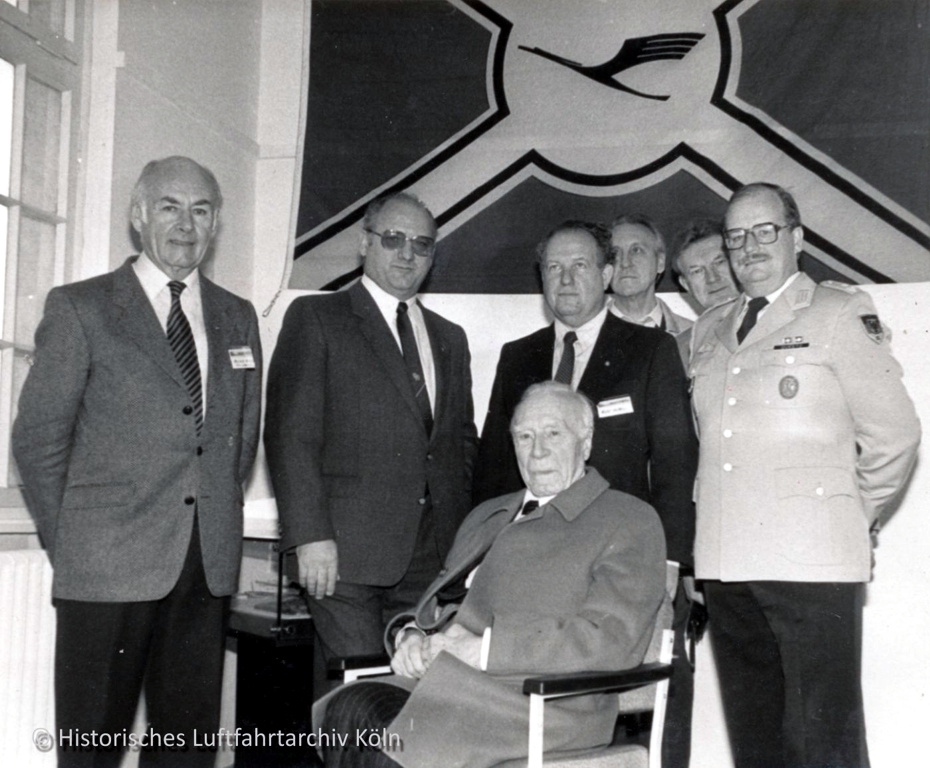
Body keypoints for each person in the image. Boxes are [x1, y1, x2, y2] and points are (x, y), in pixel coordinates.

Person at [12, 156, 263, 766]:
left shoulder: (238, 316)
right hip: (106, 564)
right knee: (92, 745)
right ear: (138, 215)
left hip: (204, 566)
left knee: (186, 749)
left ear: (215, 224)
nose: (185, 224)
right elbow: (38, 439)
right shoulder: (83, 308)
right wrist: (71, 539)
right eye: (170, 207)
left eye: (200, 210)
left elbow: (240, 438)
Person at [315, 382, 667, 768]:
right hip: (449, 689)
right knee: (350, 710)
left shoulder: (627, 519)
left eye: (553, 433)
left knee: (386, 737)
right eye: (524, 436)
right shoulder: (487, 514)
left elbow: (611, 640)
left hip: (539, 706)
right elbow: (437, 607)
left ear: (585, 443)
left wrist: (482, 650)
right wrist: (411, 636)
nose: (537, 451)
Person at [690, 182, 921, 768]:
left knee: (824, 747)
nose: (749, 247)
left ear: (797, 238)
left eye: (765, 231)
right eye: (736, 237)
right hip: (727, 563)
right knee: (757, 745)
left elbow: (895, 435)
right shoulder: (707, 328)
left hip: (813, 563)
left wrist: (851, 515)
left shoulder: (840, 312)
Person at [472, 220, 697, 767]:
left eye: (579, 266)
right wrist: (479, 558)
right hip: (533, 573)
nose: (566, 279)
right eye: (553, 267)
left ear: (607, 274)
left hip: (618, 564)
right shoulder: (517, 354)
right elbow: (496, 470)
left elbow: (674, 463)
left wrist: (668, 563)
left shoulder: (650, 350)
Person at [264, 191, 478, 698]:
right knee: (360, 698)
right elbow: (291, 436)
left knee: (418, 702)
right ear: (364, 243)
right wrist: (309, 536)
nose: (407, 254)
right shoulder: (317, 318)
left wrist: (464, 548)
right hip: (343, 558)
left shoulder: (451, 337)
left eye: (422, 245)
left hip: (431, 562)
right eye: (394, 239)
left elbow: (460, 445)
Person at [609, 213, 692, 334]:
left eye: (636, 250)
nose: (625, 263)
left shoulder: (693, 337)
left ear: (660, 262)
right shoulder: (579, 335)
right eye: (615, 253)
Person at [671, 218, 740, 363]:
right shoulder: (678, 352)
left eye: (719, 262)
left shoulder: (772, 323)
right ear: (685, 285)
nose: (712, 278)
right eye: (697, 271)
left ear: (738, 262)